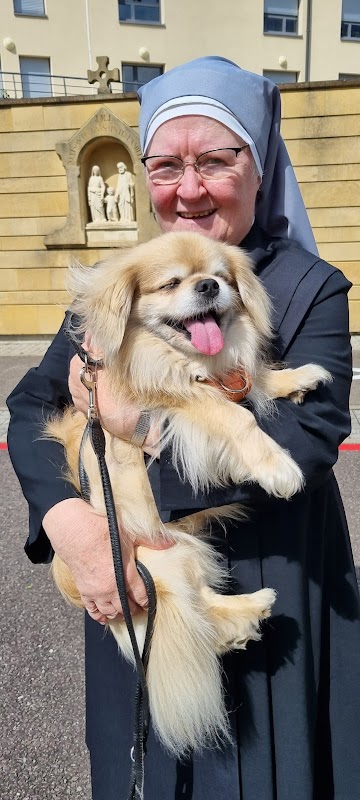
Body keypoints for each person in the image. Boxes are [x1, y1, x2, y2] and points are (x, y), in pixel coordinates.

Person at [7, 56, 360, 800]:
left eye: (215, 161)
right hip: (130, 571)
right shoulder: (122, 279)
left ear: (258, 165)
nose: (189, 188)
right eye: (165, 165)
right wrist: (74, 527)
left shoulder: (310, 287)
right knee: (147, 766)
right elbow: (31, 406)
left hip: (276, 576)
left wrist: (135, 424)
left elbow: (310, 437)